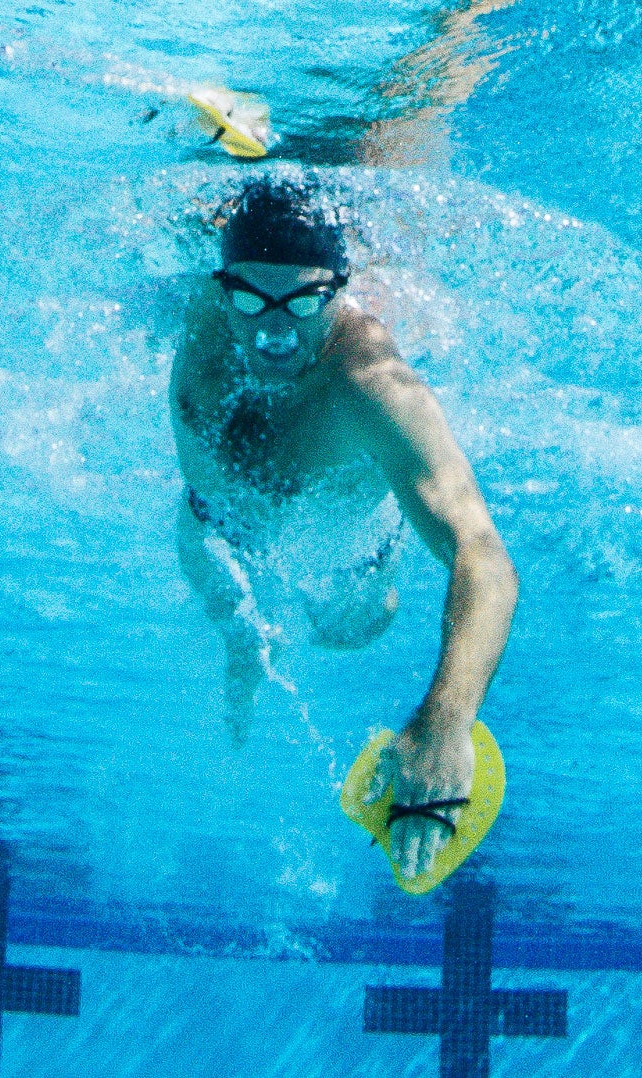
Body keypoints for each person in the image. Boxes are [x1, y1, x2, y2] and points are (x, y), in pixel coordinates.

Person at [168, 176, 518, 881]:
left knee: (352, 627)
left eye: (302, 303)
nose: (272, 331)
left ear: (336, 291)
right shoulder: (203, 306)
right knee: (235, 621)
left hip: (349, 552)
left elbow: (485, 559)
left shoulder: (373, 388)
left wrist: (447, 721)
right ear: (219, 283)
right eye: (249, 299)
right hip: (211, 527)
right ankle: (245, 644)